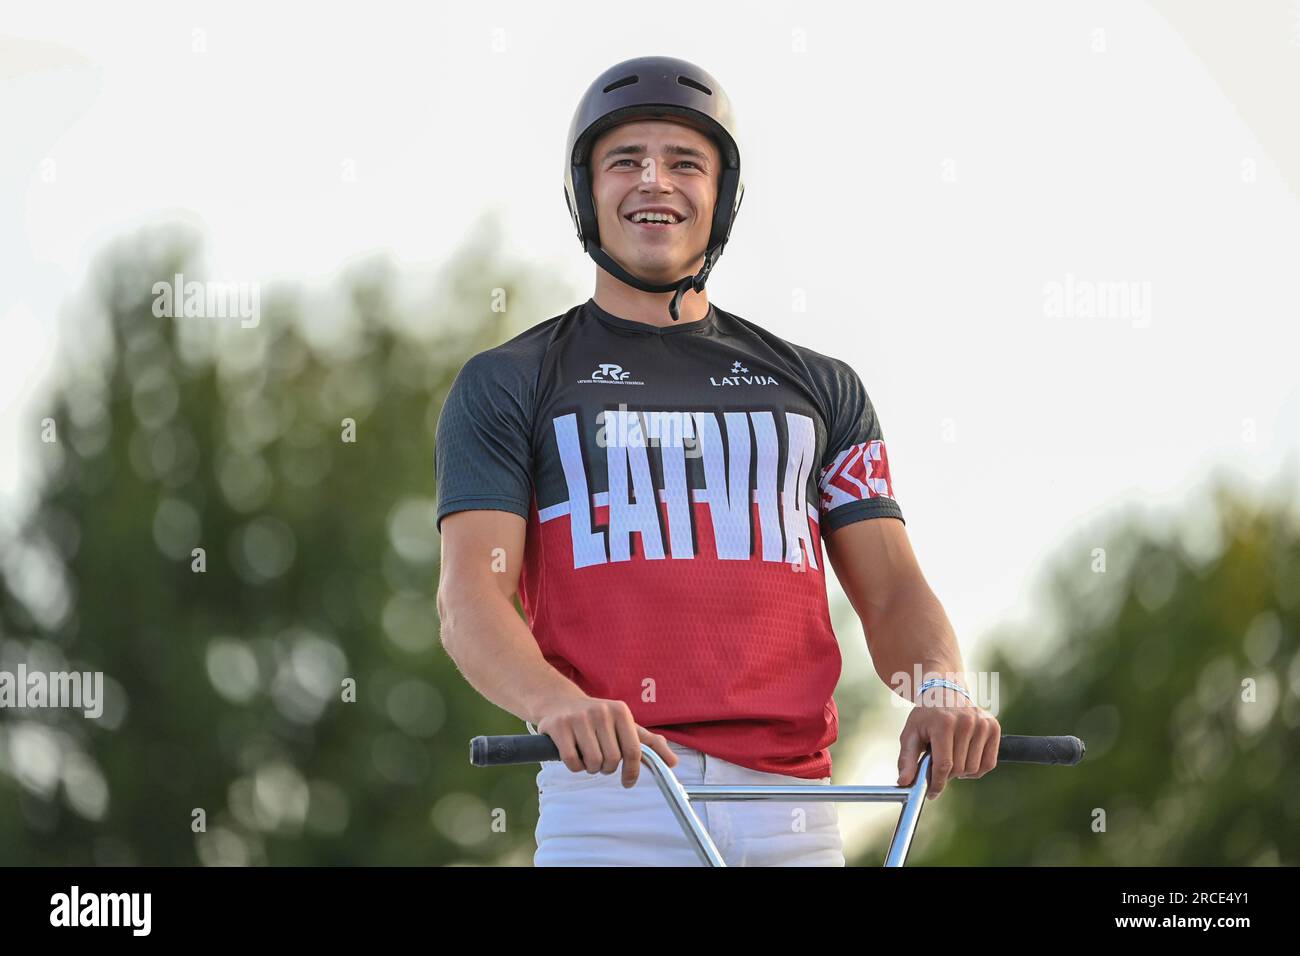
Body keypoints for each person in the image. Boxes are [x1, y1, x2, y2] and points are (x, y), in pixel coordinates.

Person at [435, 55, 1001, 866]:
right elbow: (470, 600)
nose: (653, 182)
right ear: (584, 192)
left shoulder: (821, 389)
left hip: (798, 811)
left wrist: (941, 690)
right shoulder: (511, 382)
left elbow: (892, 590)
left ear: (721, 195)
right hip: (615, 797)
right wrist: (555, 703)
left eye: (685, 162)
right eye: (624, 160)